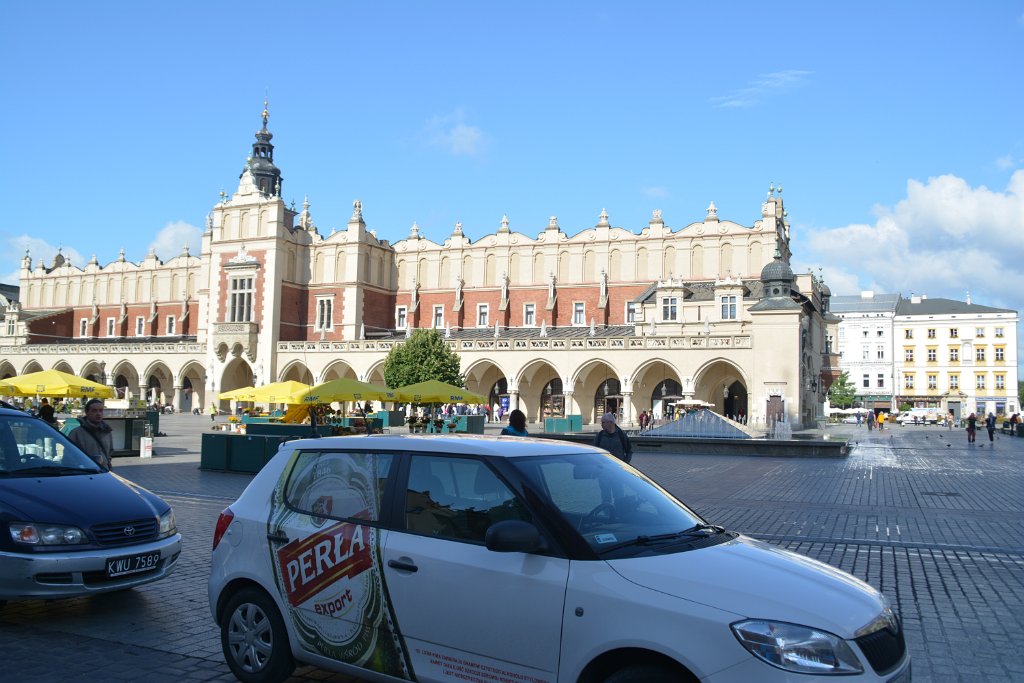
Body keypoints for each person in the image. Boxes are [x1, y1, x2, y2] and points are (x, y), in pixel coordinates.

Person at [67, 398, 114, 469]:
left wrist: (107, 463)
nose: (98, 414)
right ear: (87, 412)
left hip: (103, 471)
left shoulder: (107, 432)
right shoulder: (76, 433)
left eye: (101, 410)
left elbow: (110, 452)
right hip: (85, 472)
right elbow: (69, 455)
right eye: (94, 411)